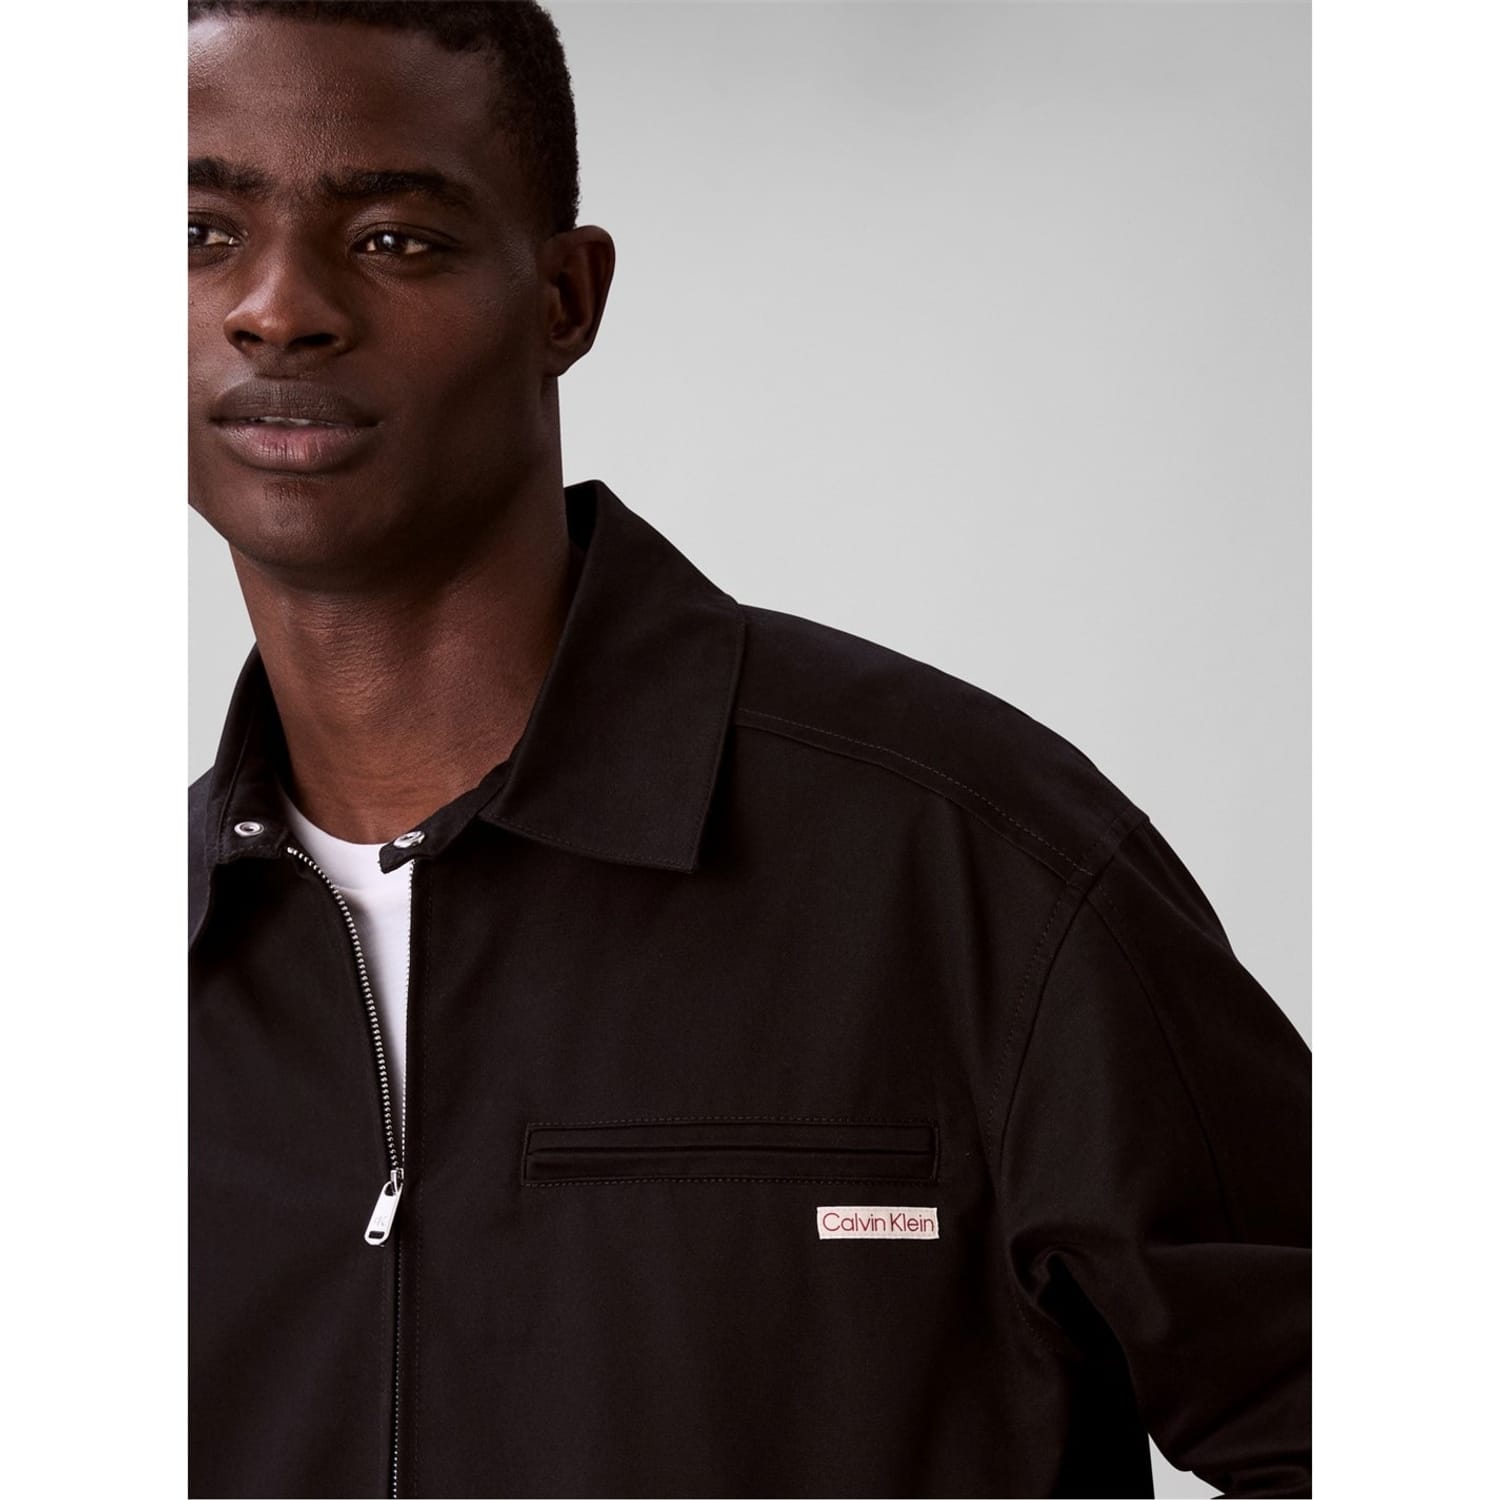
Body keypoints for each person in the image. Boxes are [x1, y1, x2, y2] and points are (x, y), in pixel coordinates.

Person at [188, 4, 1311, 1497]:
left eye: (395, 238)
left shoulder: (976, 867)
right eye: (197, 236)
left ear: (564, 298)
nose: (276, 309)